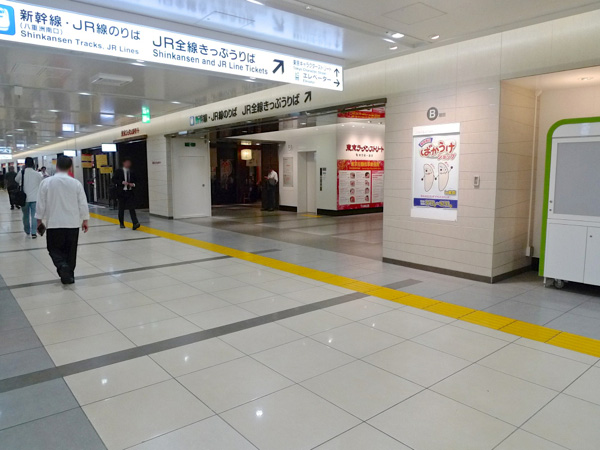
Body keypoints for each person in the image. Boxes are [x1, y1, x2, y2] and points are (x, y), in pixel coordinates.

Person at [36, 156, 89, 284]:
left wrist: (39, 221)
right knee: (71, 251)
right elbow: (83, 203)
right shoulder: (76, 183)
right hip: (72, 224)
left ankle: (62, 265)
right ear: (70, 167)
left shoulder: (46, 182)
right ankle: (69, 276)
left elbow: (40, 203)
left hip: (54, 224)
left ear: (56, 166)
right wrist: (85, 220)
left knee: (53, 249)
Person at [15, 157, 43, 238]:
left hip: (24, 198)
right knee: (34, 216)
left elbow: (16, 180)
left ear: (25, 164)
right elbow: (41, 183)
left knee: (25, 215)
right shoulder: (38, 174)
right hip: (35, 198)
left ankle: (27, 230)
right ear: (33, 164)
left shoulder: (22, 172)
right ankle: (34, 232)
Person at [112, 159, 140, 230]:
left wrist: (133, 184)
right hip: (121, 192)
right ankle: (121, 223)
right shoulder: (119, 171)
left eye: (129, 163)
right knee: (121, 208)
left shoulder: (132, 172)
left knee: (132, 208)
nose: (128, 164)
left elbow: (137, 181)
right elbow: (113, 180)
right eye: (127, 162)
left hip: (129, 192)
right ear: (123, 163)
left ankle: (135, 223)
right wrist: (121, 182)